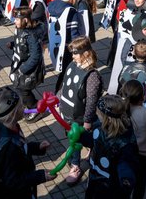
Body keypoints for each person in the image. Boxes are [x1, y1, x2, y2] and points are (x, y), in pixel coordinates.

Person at [0, 88, 55, 198]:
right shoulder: (9, 145)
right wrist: (40, 176)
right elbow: (12, 182)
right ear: (13, 114)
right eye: (21, 106)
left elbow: (20, 149)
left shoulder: (5, 126)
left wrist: (37, 147)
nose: (24, 107)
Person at [58, 36, 103, 185]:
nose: (72, 56)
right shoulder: (72, 65)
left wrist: (88, 120)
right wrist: (59, 99)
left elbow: (91, 101)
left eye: (75, 53)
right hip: (69, 114)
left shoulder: (92, 76)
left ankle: (75, 166)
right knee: (73, 138)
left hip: (81, 117)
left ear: (85, 54)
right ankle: (89, 150)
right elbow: (66, 85)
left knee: (76, 139)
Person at [77, 94, 138, 198]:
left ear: (108, 118)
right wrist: (79, 136)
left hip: (111, 188)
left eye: (98, 114)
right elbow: (92, 140)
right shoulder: (99, 128)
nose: (96, 114)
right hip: (94, 178)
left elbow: (126, 164)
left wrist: (126, 179)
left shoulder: (125, 143)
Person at [9, 7, 45, 123]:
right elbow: (21, 42)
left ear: (25, 20)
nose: (15, 22)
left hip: (27, 68)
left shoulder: (31, 35)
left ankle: (34, 108)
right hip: (20, 64)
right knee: (20, 87)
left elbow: (36, 55)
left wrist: (23, 69)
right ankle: (28, 104)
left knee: (23, 89)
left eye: (17, 19)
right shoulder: (21, 29)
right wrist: (13, 44)